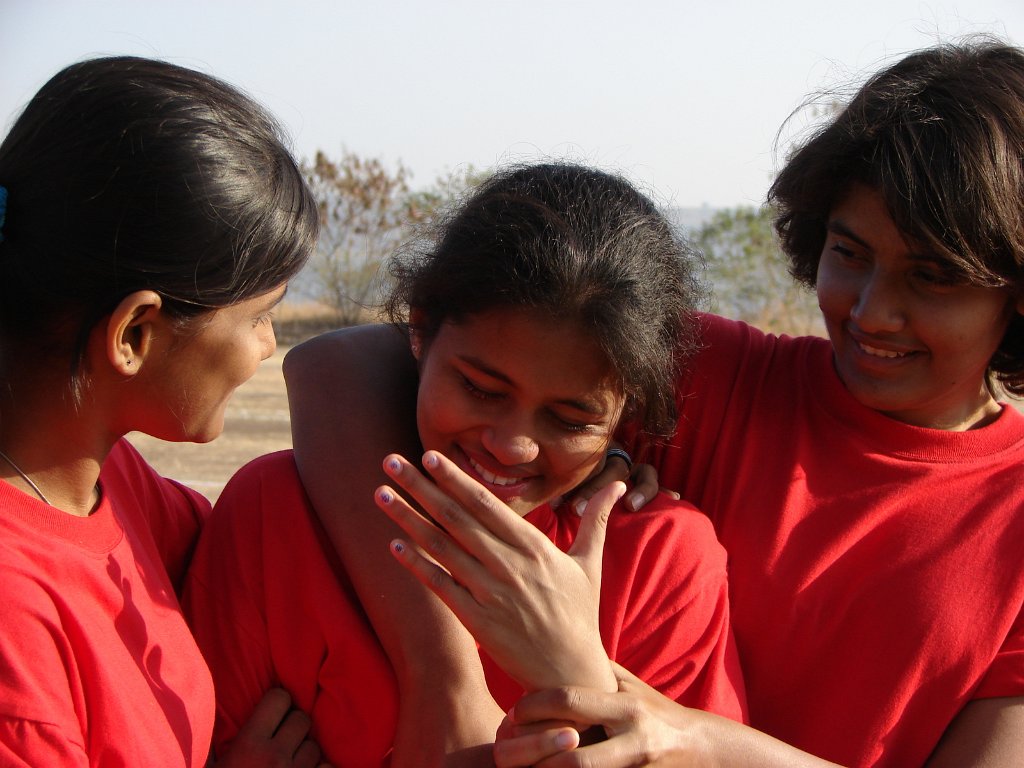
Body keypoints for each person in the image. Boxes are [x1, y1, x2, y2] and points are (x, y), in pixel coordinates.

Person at [285, 39, 1024, 767]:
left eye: (932, 277)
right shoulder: (720, 377)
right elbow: (334, 370)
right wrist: (443, 677)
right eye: (850, 253)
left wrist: (702, 742)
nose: (871, 312)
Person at [183, 163, 748, 767]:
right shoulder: (279, 515)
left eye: (570, 421)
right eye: (480, 389)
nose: (512, 446)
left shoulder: (659, 563)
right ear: (420, 332)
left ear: (625, 415)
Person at [0, 56, 326, 767]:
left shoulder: (108, 481)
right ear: (134, 334)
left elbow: (264, 549)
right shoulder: (15, 635)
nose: (267, 346)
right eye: (259, 316)